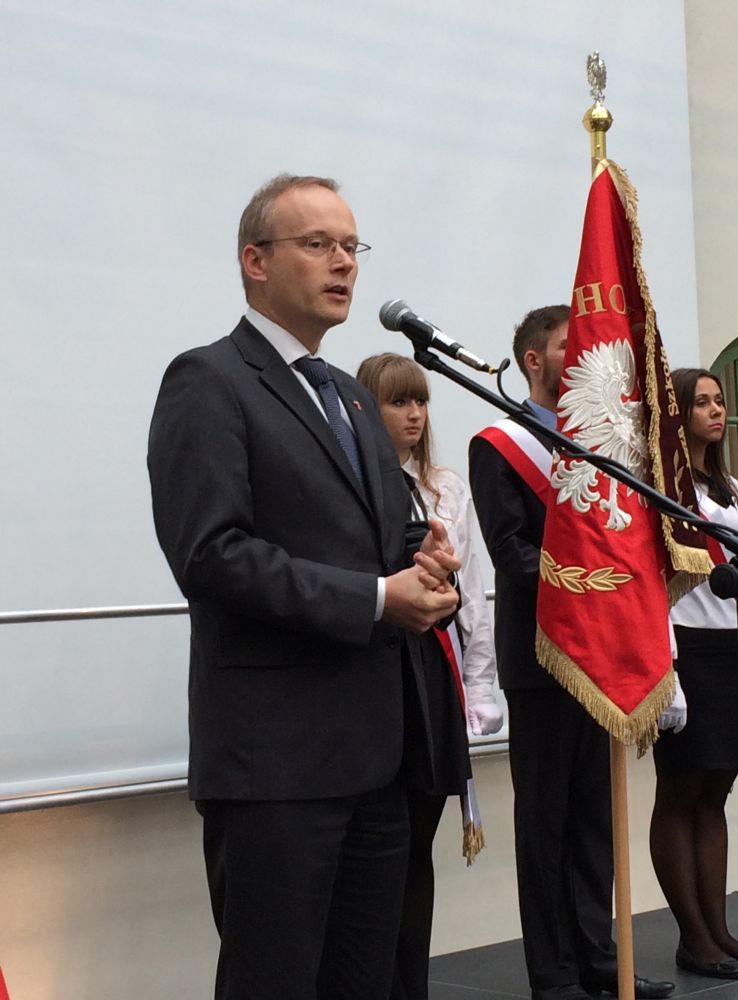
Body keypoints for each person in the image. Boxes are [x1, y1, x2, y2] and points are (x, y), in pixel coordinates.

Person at [147, 173, 461, 1000]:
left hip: (377, 759)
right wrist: (377, 600)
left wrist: (428, 562)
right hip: (276, 768)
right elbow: (211, 555)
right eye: (318, 244)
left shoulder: (351, 397)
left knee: (367, 983)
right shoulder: (208, 381)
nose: (344, 263)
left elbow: (384, 537)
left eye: (352, 246)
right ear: (256, 261)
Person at [468, 305, 675, 1000]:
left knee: (595, 820)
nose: (583, 354)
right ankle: (553, 973)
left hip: (600, 655)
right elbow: (512, 553)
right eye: (568, 345)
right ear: (534, 360)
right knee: (546, 823)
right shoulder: (500, 444)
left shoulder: (600, 440)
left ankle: (599, 958)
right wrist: (596, 578)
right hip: (542, 657)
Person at [356, 352, 501, 1000]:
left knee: (418, 844)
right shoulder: (354, 486)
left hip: (434, 669)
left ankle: (411, 981)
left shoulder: (445, 486)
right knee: (377, 853)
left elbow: (472, 594)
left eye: (421, 401)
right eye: (398, 401)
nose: (414, 414)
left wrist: (480, 682)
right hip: (381, 667)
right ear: (366, 408)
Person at [650, 367, 738, 981]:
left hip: (731, 643)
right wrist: (665, 668)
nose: (715, 411)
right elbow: (657, 579)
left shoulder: (729, 486)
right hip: (685, 645)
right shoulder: (668, 487)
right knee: (681, 791)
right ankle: (693, 936)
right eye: (702, 402)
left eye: (719, 401)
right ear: (679, 414)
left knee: (716, 791)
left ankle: (719, 929)